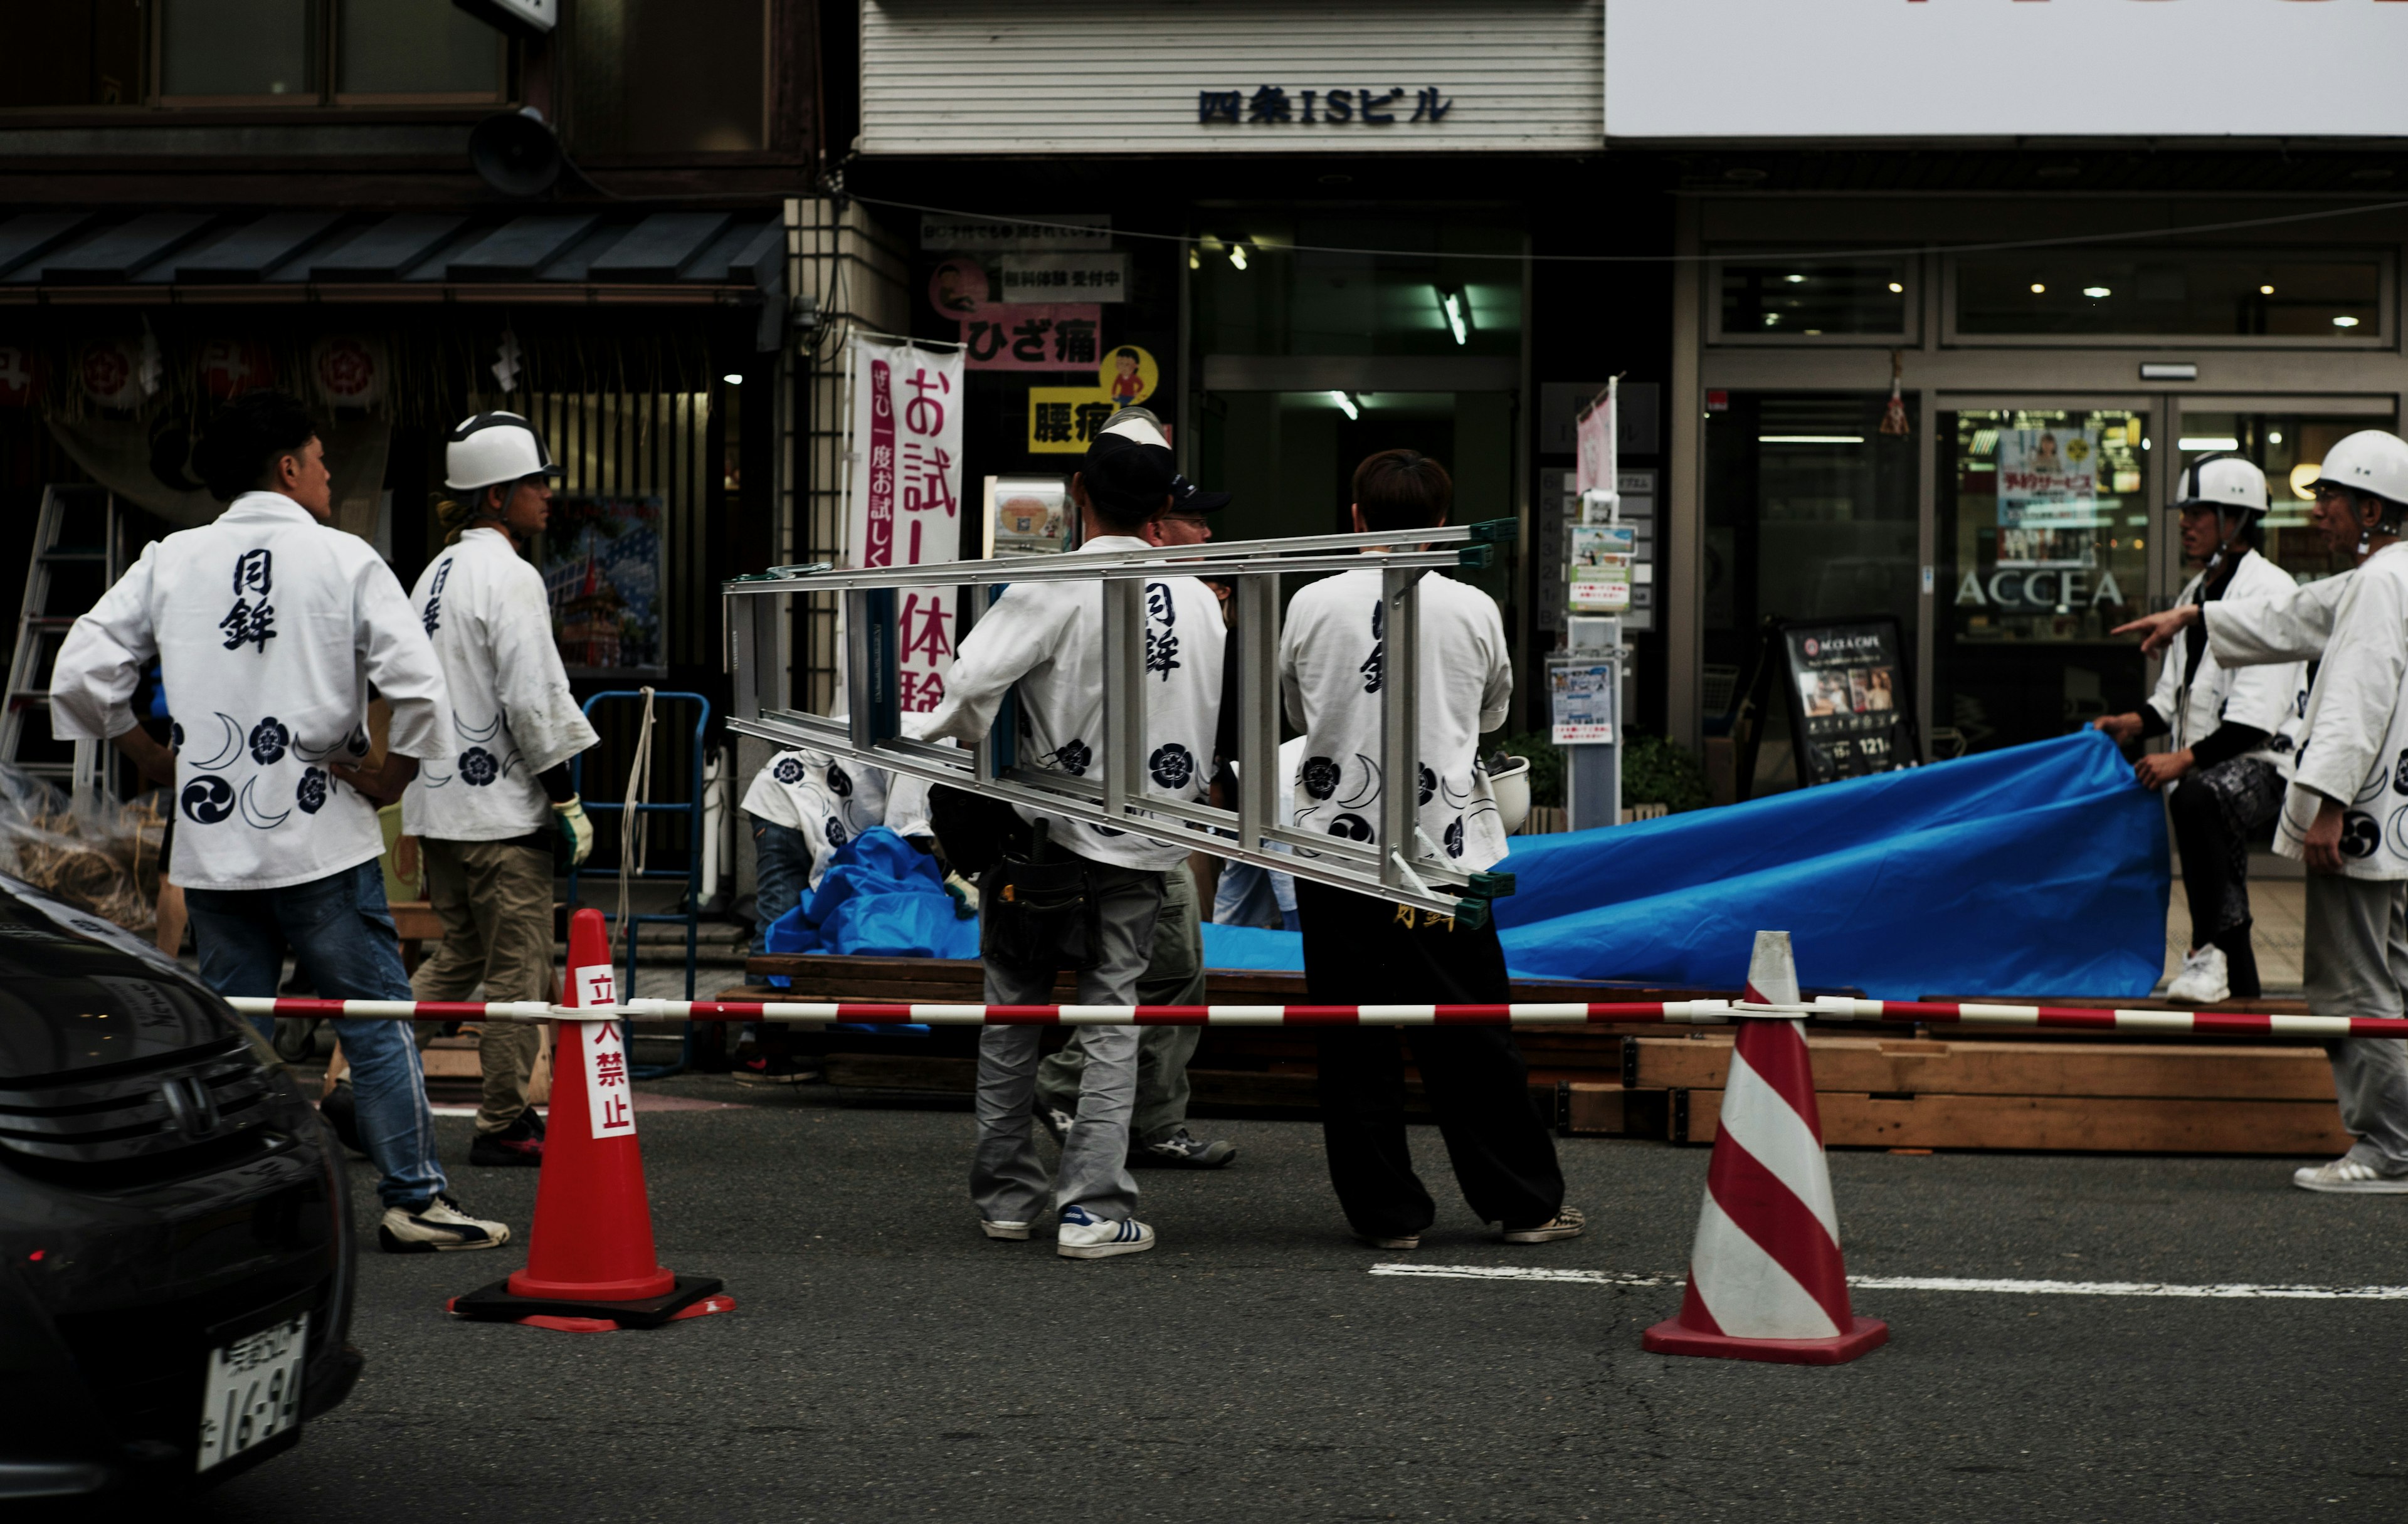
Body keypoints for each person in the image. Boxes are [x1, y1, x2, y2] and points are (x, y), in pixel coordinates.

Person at [49, 388, 510, 1252]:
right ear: (290, 467)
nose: (330, 474)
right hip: (323, 835)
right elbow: (417, 683)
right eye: (322, 458)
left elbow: (82, 670)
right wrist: (389, 777)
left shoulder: (171, 558)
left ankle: (225, 1196)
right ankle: (413, 1196)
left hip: (217, 846)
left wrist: (150, 755)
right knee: (373, 1018)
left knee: (237, 1030)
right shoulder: (345, 560)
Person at [914, 412, 1222, 1258]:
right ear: (1163, 504)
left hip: (1046, 832)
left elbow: (966, 683)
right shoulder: (1201, 596)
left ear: (1078, 492)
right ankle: (1093, 1203)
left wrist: (983, 731)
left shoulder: (1052, 584)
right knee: (1113, 1015)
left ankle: (1009, 1195)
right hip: (1148, 837)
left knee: (1015, 1010)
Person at [1277, 448, 1582, 1250]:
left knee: (1354, 1036)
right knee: (1475, 1027)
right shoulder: (1474, 606)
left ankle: (1388, 1216)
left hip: (1333, 848)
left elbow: (1293, 704)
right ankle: (1524, 1204)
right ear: (1445, 523)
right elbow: (1491, 714)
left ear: (1355, 517)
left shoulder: (1309, 600)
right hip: (1450, 849)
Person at [2116, 430, 2408, 1193]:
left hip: (2362, 819)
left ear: (2373, 506)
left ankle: (2388, 1148)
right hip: (2395, 819)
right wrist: (2195, 621)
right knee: (2394, 980)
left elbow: (2354, 703)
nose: (2321, 514)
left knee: (2352, 985)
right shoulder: (2388, 575)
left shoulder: (2380, 585)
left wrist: (2327, 808)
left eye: (2333, 500)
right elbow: (2298, 617)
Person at [401, 413, 599, 1168]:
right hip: (499, 813)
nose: (548, 494)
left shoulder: (435, 572)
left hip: (438, 800)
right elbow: (533, 696)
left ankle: (363, 1078)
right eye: (535, 483)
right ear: (495, 497)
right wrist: (567, 797)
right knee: (519, 970)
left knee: (460, 954)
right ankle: (504, 1120)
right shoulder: (510, 575)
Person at [1033, 458, 1237, 1170]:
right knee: (1162, 972)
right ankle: (1077, 1102)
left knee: (1167, 973)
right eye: (1195, 520)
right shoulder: (1122, 594)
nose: (1209, 533)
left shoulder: (1188, 601)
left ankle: (1143, 1117)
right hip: (1108, 824)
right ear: (1154, 524)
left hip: (1148, 817)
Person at [2091, 455, 2306, 1004]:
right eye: (2184, 512)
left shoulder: (2269, 590)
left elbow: (2254, 721)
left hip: (2271, 766)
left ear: (2236, 518)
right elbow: (2174, 700)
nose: (2185, 522)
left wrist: (2182, 760)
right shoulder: (2197, 592)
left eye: (2198, 512)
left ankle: (2206, 949)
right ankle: (2242, 997)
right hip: (2217, 766)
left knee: (2196, 800)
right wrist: (2132, 723)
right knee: (2220, 872)